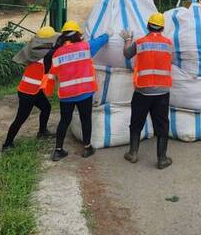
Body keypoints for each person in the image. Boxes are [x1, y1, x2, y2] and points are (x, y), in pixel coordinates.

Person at [121, 12, 173, 169]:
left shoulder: (140, 42)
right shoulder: (168, 44)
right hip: (162, 92)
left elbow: (126, 54)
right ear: (162, 28)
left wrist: (127, 39)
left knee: (136, 122)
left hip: (142, 91)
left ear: (147, 26)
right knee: (162, 125)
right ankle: (162, 158)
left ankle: (133, 153)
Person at [50, 20, 109, 161]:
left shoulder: (57, 54)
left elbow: (55, 73)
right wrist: (108, 34)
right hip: (84, 92)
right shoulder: (86, 47)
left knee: (64, 121)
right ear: (77, 35)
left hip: (66, 95)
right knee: (85, 119)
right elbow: (100, 41)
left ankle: (58, 150)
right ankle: (87, 147)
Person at [2, 26, 57, 152]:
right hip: (28, 92)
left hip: (32, 89)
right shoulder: (47, 54)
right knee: (20, 118)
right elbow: (54, 53)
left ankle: (42, 132)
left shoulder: (33, 49)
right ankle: (7, 144)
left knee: (46, 107)